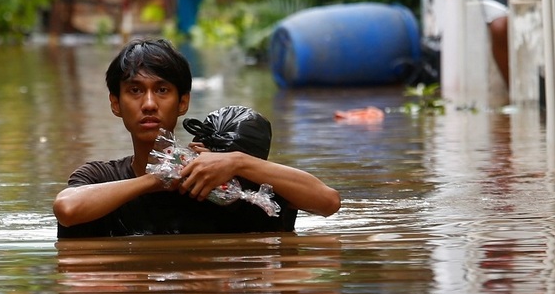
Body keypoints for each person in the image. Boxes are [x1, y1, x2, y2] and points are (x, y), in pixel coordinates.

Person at [53, 38, 341, 239]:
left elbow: (327, 202)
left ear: (183, 103)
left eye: (162, 90)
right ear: (116, 103)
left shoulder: (217, 179)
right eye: (135, 91)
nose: (150, 103)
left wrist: (238, 162)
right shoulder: (101, 176)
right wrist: (159, 178)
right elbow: (67, 209)